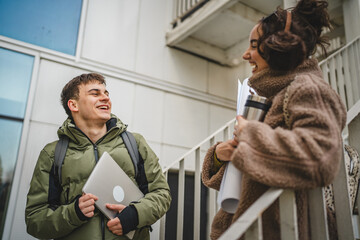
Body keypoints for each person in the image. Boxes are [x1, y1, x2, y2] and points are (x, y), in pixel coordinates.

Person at [201, 0, 346, 239]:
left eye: (255, 46)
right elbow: (259, 169)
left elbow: (320, 156)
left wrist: (251, 134)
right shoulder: (276, 96)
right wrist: (220, 155)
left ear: (281, 47)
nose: (245, 55)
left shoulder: (308, 88)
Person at [25, 73, 171, 240]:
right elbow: (34, 220)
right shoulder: (52, 154)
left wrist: (135, 215)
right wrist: (74, 213)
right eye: (95, 93)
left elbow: (162, 193)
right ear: (73, 105)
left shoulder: (135, 143)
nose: (105, 98)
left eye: (106, 93)